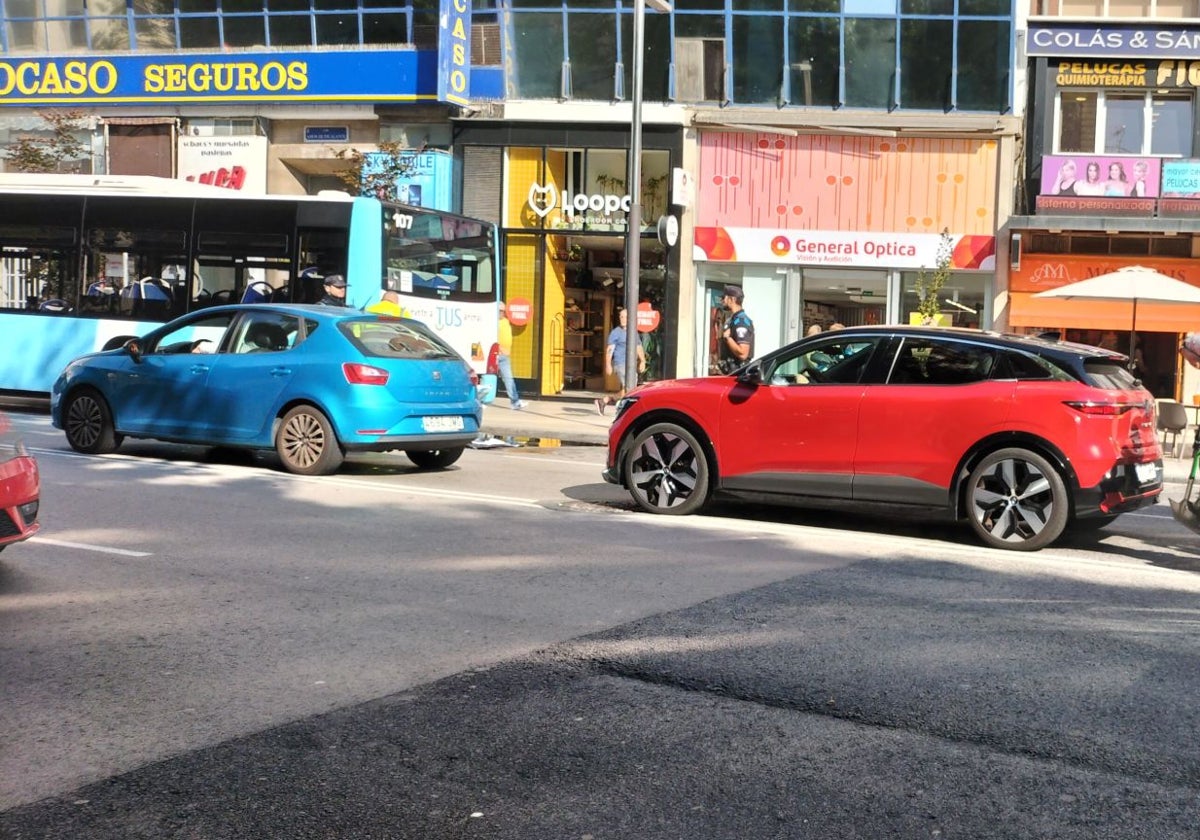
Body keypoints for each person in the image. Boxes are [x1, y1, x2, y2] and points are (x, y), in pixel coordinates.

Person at [595, 307, 645, 415]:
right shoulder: (615, 333)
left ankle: (604, 401)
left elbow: (638, 346)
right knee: (630, 388)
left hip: (631, 365)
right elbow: (609, 349)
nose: (623, 319)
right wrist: (608, 364)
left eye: (625, 317)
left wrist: (643, 361)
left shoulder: (633, 332)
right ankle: (624, 410)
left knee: (628, 390)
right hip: (620, 363)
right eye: (621, 316)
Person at [717, 284, 754, 373]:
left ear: (732, 299)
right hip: (730, 372)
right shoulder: (732, 320)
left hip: (737, 374)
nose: (722, 300)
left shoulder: (741, 321)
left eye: (724, 297)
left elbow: (743, 353)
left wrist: (728, 338)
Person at [497, 302, 525, 410]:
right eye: (500, 311)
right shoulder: (493, 322)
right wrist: (498, 349)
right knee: (488, 378)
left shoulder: (506, 322)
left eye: (503, 311)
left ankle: (515, 401)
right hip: (496, 354)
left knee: (508, 378)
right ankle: (482, 400)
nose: (501, 313)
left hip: (505, 355)